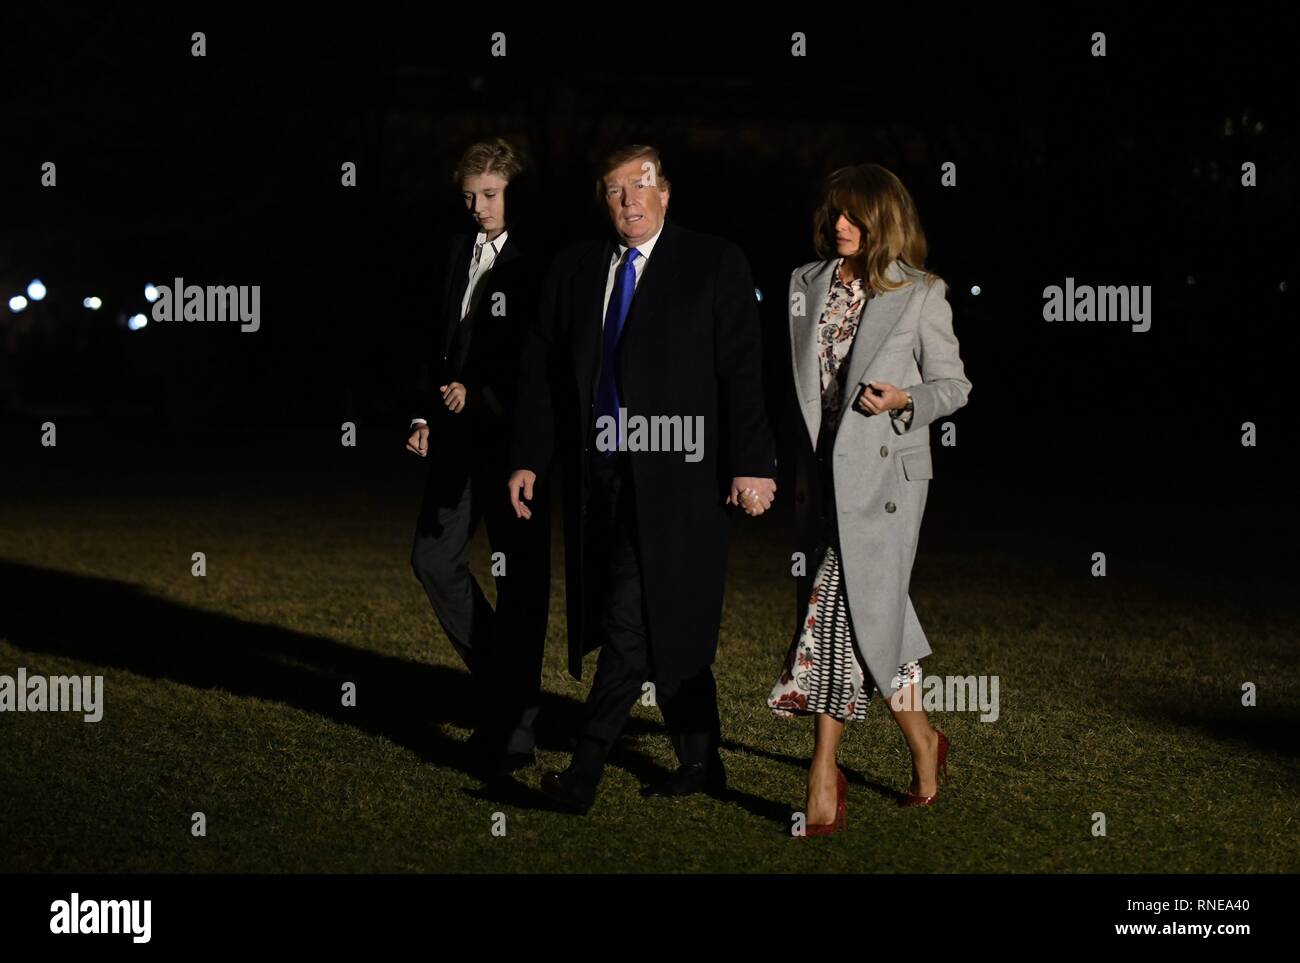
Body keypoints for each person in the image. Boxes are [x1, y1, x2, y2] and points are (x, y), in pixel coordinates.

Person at [508, 144, 777, 815]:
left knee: (628, 619)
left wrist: (753, 462)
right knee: (666, 616)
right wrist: (528, 455)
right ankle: (700, 757)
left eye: (641, 185)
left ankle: (585, 768)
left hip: (684, 478)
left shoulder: (713, 262)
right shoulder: (573, 269)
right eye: (614, 189)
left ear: (666, 192)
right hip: (601, 477)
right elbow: (542, 372)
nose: (629, 200)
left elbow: (742, 370)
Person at [767, 163, 972, 833]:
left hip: (886, 480)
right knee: (873, 612)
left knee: (839, 607)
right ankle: (923, 744)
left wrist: (905, 398)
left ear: (884, 219)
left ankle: (823, 773)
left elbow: (954, 385)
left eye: (854, 215)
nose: (840, 225)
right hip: (819, 478)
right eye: (834, 214)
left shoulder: (921, 293)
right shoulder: (805, 282)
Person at [407, 137, 550, 777]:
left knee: (518, 586)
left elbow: (539, 356)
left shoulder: (541, 259)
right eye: (468, 196)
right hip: (457, 439)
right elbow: (433, 333)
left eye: (489, 195)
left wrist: (484, 393)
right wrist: (422, 412)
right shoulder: (452, 248)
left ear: (512, 192)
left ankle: (513, 726)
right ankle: (507, 686)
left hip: (517, 444)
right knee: (432, 558)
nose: (477, 207)